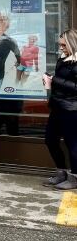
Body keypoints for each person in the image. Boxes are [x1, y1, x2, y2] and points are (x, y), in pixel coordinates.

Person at [41, 29, 77, 190]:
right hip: (57, 106)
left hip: (72, 109)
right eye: (60, 45)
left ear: (72, 43)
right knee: (50, 140)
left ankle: (74, 178)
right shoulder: (62, 59)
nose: (61, 48)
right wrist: (50, 83)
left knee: (72, 144)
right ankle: (61, 173)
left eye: (63, 45)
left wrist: (56, 80)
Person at [0, 11, 22, 135]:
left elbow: (19, 60)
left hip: (0, 80)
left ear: (6, 26)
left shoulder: (10, 41)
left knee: (1, 110)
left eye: (0, 20)